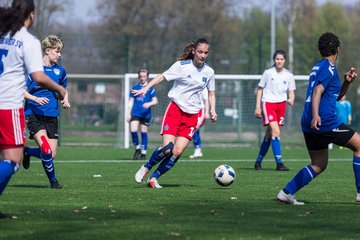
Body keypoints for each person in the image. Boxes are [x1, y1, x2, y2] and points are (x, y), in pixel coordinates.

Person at [0, 0, 66, 217]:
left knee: (48, 153)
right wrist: (60, 90)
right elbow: (38, 77)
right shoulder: (27, 40)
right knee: (11, 160)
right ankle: (52, 179)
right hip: (9, 106)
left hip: (32, 111)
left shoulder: (2, 34)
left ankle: (29, 152)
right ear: (32, 15)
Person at [277, 32, 360, 205]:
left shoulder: (319, 67)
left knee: (319, 163)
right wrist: (316, 115)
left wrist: (347, 82)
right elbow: (317, 92)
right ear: (338, 49)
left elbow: (335, 96)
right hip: (324, 121)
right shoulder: (328, 68)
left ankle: (286, 192)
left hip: (309, 122)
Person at [134, 38, 217, 188]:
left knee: (177, 151)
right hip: (175, 110)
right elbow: (162, 77)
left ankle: (154, 178)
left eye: (205, 52)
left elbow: (211, 93)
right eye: (200, 52)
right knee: (167, 149)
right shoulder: (181, 66)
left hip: (192, 115)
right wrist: (146, 88)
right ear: (193, 51)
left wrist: (212, 109)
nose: (203, 55)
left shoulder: (209, 72)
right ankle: (146, 167)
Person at [22, 35, 70, 189]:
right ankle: (53, 182)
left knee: (51, 154)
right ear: (48, 50)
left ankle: (28, 152)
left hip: (52, 116)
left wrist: (65, 99)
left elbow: (64, 90)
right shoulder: (34, 69)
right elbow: (21, 91)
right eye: (57, 51)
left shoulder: (60, 71)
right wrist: (35, 99)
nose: (59, 54)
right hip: (34, 114)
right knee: (46, 149)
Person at [254, 50, 296, 171]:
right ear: (274, 60)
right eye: (277, 59)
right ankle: (279, 163)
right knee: (276, 132)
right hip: (269, 104)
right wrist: (258, 106)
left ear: (285, 60)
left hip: (281, 105)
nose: (279, 61)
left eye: (281, 59)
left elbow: (291, 93)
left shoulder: (289, 75)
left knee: (269, 134)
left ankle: (258, 161)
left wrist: (291, 99)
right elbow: (260, 89)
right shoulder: (268, 73)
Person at [127, 69, 158, 160]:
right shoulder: (135, 87)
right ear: (138, 77)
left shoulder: (150, 89)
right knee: (133, 130)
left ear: (147, 77)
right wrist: (128, 113)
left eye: (144, 76)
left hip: (145, 114)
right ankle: (137, 148)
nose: (142, 78)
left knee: (143, 132)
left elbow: (155, 101)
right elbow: (131, 101)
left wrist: (149, 104)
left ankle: (143, 152)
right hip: (135, 113)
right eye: (141, 76)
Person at [189, 88, 209, 159]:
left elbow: (206, 100)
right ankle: (198, 150)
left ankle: (198, 149)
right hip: (193, 110)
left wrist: (207, 112)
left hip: (200, 111)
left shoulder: (204, 88)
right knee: (194, 131)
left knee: (193, 129)